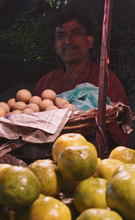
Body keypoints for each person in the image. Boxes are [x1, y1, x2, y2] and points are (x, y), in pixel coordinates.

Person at [34, 10, 129, 149]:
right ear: (55, 46)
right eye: (61, 36)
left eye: (75, 33)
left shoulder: (105, 80)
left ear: (89, 41)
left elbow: (119, 137)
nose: (67, 41)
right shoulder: (45, 83)